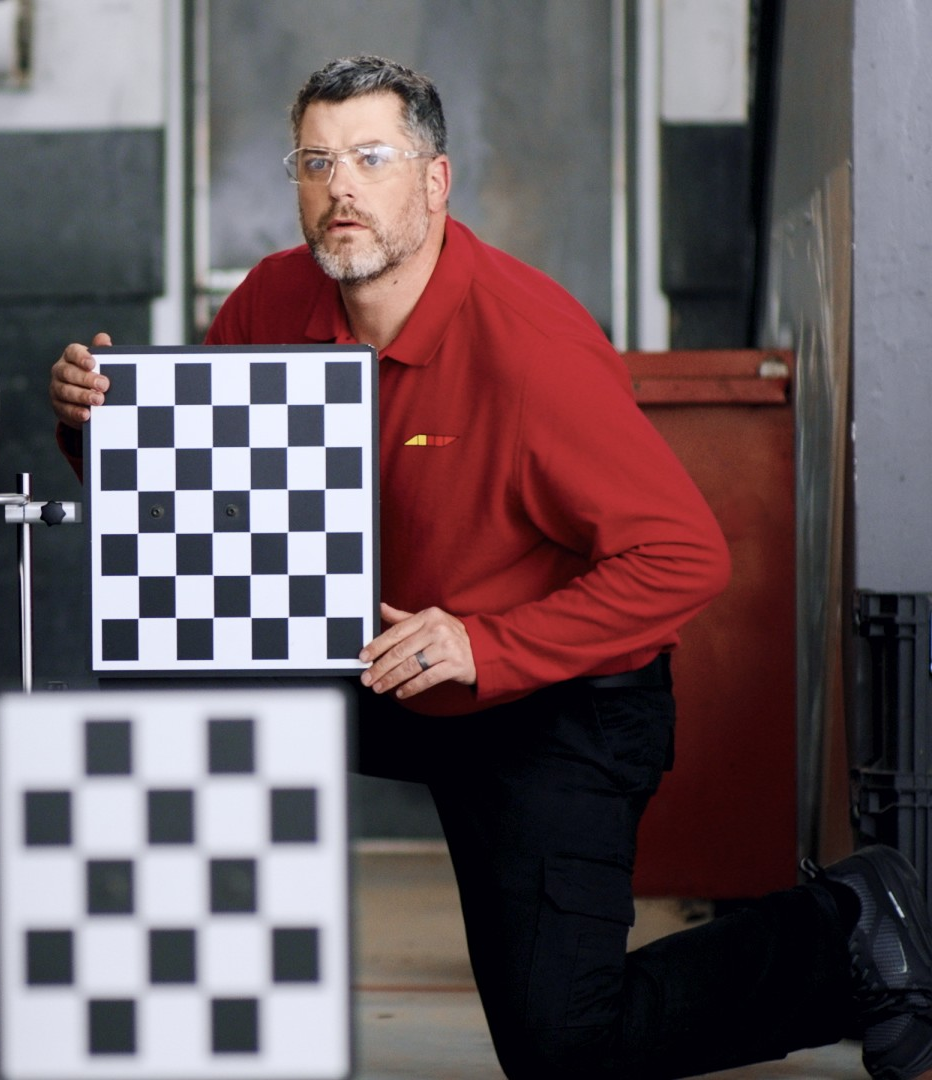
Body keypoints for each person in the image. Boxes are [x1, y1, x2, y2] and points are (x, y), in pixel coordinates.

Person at [47, 54, 932, 1080]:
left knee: (564, 1046)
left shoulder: (529, 344)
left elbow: (684, 556)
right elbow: (211, 509)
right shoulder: (273, 300)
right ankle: (185, 1003)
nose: (340, 188)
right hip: (389, 661)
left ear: (434, 181)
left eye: (372, 159)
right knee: (171, 668)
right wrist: (100, 428)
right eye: (316, 162)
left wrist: (487, 644)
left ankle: (854, 929)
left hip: (556, 702)